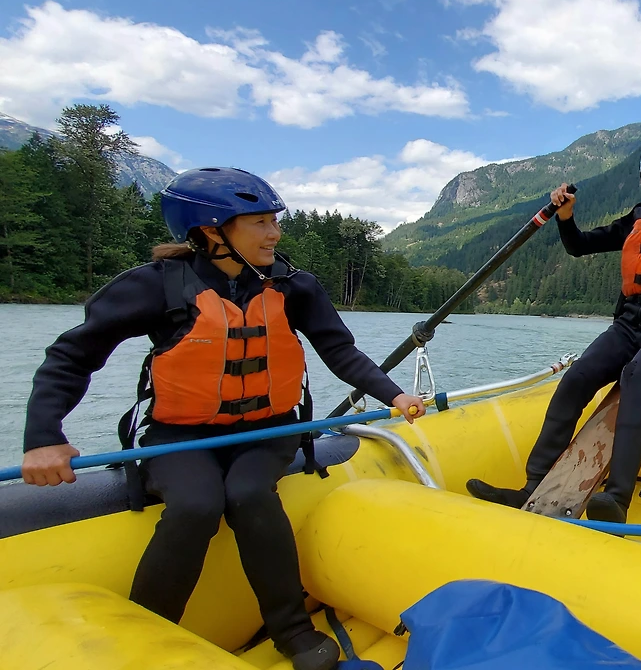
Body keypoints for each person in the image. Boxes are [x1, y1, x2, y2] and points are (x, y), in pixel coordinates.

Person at [19, 167, 426, 670]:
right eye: (260, 222)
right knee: (195, 505)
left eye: (274, 221)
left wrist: (394, 394)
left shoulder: (293, 286)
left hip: (267, 432)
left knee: (249, 493)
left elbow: (339, 350)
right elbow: (71, 357)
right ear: (211, 231)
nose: (275, 233)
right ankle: (142, 633)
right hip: (179, 436)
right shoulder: (154, 286)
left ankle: (293, 631)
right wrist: (44, 436)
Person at [466, 138, 641, 522]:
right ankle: (532, 488)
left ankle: (616, 499)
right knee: (577, 376)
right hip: (628, 324)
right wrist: (566, 216)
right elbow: (578, 246)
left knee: (636, 376)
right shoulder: (634, 220)